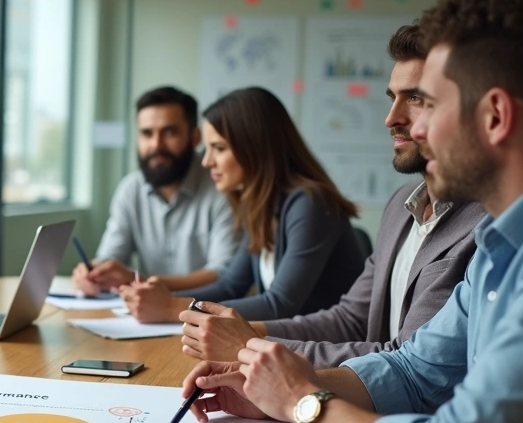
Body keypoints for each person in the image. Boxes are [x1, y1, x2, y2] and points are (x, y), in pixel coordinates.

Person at [182, 0, 523, 423]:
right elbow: (418, 371)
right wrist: (273, 394)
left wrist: (304, 403)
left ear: (496, 115)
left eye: (431, 105)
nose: (412, 128)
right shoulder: (509, 237)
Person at [179, 24, 484, 366]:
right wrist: (250, 338)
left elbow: (410, 363)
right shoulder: (400, 207)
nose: (390, 118)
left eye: (415, 98)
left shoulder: (483, 226)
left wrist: (251, 347)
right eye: (392, 98)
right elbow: (349, 319)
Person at [122, 87, 364, 322]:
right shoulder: (261, 204)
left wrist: (173, 308)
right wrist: (161, 299)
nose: (206, 162)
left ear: (255, 149)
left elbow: (279, 304)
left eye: (218, 148)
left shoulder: (311, 203)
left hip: (329, 355)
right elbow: (230, 286)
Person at [72, 86, 239, 296]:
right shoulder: (131, 189)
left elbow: (223, 273)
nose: (156, 145)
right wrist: (93, 271)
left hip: (207, 313)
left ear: (195, 137)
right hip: (146, 316)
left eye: (169, 132)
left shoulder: (222, 187)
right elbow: (111, 256)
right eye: (146, 133)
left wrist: (141, 281)